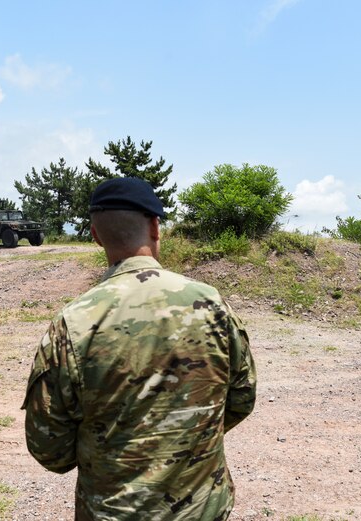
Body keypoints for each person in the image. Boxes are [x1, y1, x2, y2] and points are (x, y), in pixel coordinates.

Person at [23, 177, 257, 520]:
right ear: (156, 227)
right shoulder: (211, 304)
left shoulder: (74, 323)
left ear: (95, 235)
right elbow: (241, 398)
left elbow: (49, 447)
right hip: (202, 510)